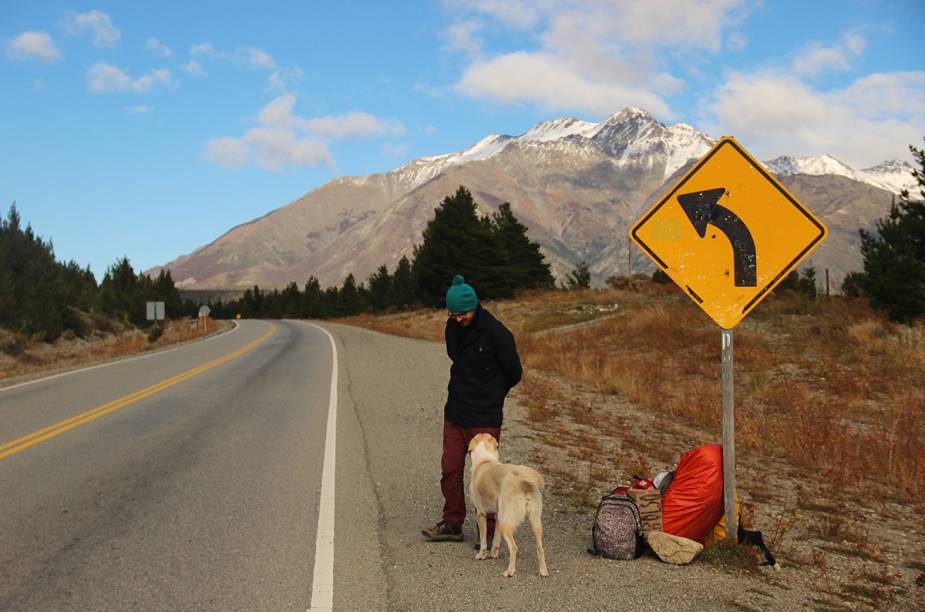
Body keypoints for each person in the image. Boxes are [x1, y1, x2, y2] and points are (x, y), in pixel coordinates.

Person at [422, 275, 523, 543]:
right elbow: (455, 356)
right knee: (450, 469)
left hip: (485, 415)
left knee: (487, 475)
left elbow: (514, 372)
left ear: (474, 306)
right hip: (455, 411)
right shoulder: (452, 327)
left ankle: (490, 531)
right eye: (453, 314)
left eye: (463, 313)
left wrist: (493, 393)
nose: (458, 319)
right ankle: (453, 523)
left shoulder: (497, 333)